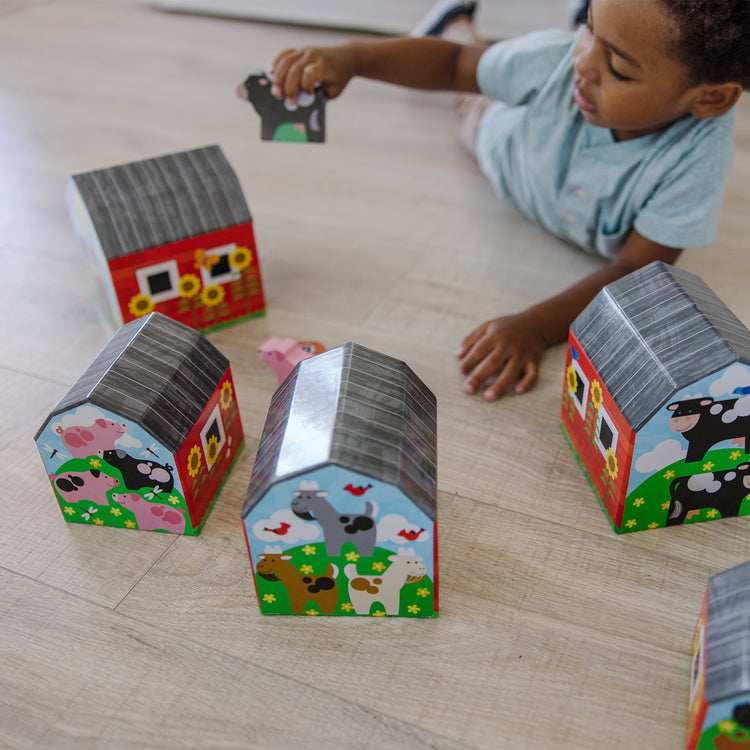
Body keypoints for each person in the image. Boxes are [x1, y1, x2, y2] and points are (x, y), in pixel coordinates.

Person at [267, 0, 749, 400]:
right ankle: (455, 20)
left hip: (533, 154)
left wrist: (536, 327)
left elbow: (633, 270)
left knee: (499, 63)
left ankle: (462, 22)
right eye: (587, 28)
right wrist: (353, 58)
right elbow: (453, 66)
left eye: (619, 68)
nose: (581, 63)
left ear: (709, 99)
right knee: (468, 90)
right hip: (496, 140)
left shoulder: (697, 159)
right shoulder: (558, 61)